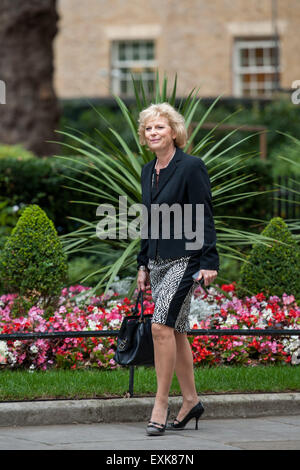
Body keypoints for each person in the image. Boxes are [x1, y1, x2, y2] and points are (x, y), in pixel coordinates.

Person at [136, 102, 219, 436]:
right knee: (176, 330)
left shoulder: (191, 167)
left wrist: (210, 261)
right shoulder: (147, 170)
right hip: (157, 261)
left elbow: (204, 215)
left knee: (160, 328)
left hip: (185, 260)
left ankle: (160, 403)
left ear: (173, 131)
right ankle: (190, 401)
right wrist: (142, 264)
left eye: (159, 127)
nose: (153, 133)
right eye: (148, 129)